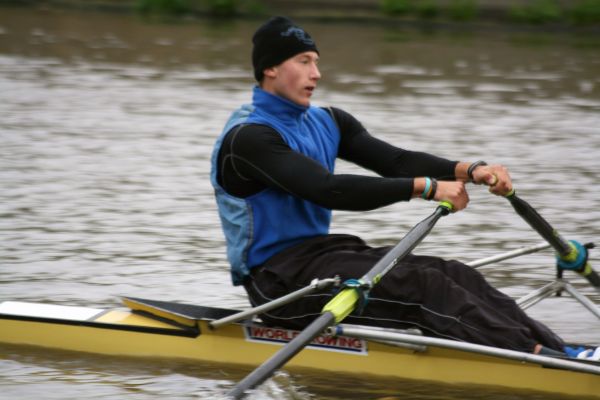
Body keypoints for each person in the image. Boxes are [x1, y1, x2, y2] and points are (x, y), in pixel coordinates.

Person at [210, 16, 568, 357]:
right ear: (270, 68)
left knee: (455, 273)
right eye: (303, 61)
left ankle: (563, 352)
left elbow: (396, 162)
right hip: (277, 283)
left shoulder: (329, 121)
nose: (316, 73)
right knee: (424, 287)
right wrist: (428, 188)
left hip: (324, 257)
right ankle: (535, 359)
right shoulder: (249, 137)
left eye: (316, 62)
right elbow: (327, 189)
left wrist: (471, 170)